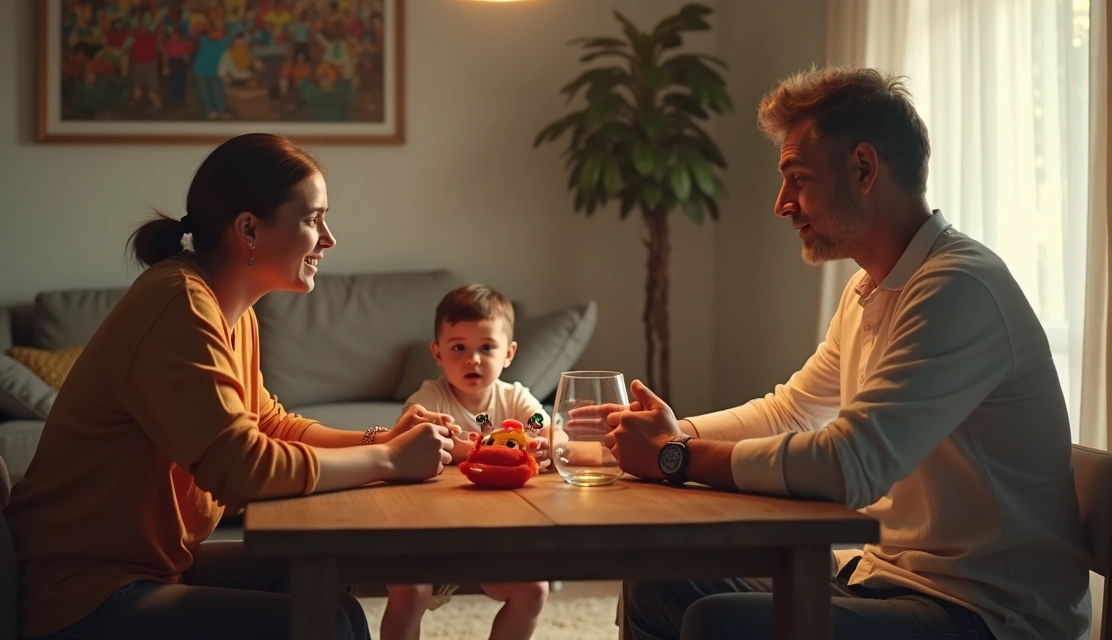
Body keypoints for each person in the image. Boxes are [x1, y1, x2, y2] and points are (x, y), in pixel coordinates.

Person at [592, 67, 1091, 639]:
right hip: (885, 580)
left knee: (719, 622)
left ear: (862, 168)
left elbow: (851, 465)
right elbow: (792, 411)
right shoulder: (869, 290)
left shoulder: (959, 287)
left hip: (987, 613)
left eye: (797, 178)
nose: (783, 204)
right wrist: (658, 433)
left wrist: (675, 456)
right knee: (656, 578)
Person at [5, 133, 459, 640]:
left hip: (149, 569)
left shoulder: (228, 308)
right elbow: (242, 467)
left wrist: (384, 440)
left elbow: (270, 425)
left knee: (326, 593)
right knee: (326, 623)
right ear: (248, 228)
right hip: (83, 596)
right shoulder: (178, 303)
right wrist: (392, 461)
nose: (328, 238)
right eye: (312, 219)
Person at [382, 284, 550, 640]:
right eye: (459, 347)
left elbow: (546, 428)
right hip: (426, 535)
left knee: (534, 589)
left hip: (497, 538)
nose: (473, 359)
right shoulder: (430, 397)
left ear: (509, 353)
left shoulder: (515, 397)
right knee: (409, 591)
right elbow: (409, 439)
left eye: (486, 348)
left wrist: (545, 444)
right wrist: (476, 449)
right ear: (438, 354)